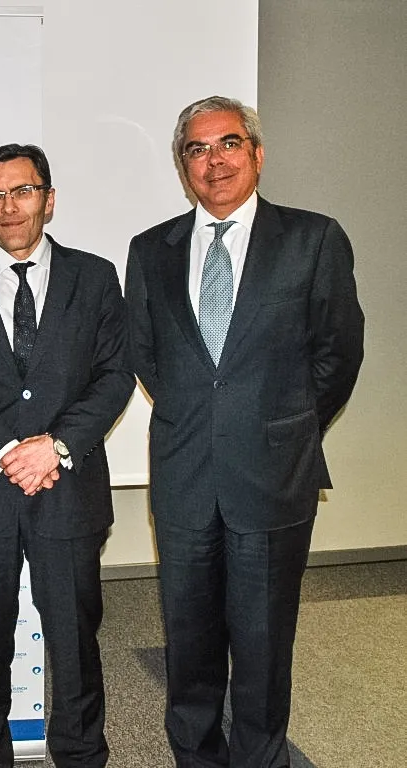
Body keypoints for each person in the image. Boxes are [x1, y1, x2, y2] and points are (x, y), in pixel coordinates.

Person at [124, 96, 365, 767]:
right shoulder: (150, 250)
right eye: (196, 150)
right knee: (190, 639)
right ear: (183, 167)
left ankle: (260, 758)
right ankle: (196, 755)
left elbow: (338, 352)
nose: (213, 161)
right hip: (184, 478)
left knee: (262, 643)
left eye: (228, 143)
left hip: (273, 475)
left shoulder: (313, 239)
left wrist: (283, 424)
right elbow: (147, 356)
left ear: (257, 154)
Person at [0, 144, 134, 768]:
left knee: (73, 638)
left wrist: (57, 446)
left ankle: (79, 754)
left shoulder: (94, 277)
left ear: (49, 198)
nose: (8, 206)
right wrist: (6, 451)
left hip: (67, 488)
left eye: (22, 191)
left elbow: (114, 374)